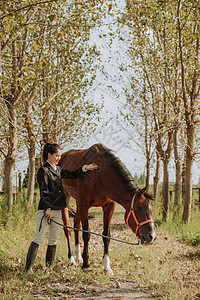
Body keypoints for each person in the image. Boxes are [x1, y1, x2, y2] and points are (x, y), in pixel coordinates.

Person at [25, 143, 98, 272]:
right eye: (57, 155)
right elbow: (44, 191)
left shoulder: (58, 170)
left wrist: (85, 168)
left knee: (53, 240)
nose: (59, 158)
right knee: (38, 238)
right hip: (45, 210)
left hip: (58, 209)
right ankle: (28, 268)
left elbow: (72, 174)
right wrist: (47, 208)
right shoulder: (43, 171)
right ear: (49, 155)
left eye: (59, 155)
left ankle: (49, 268)